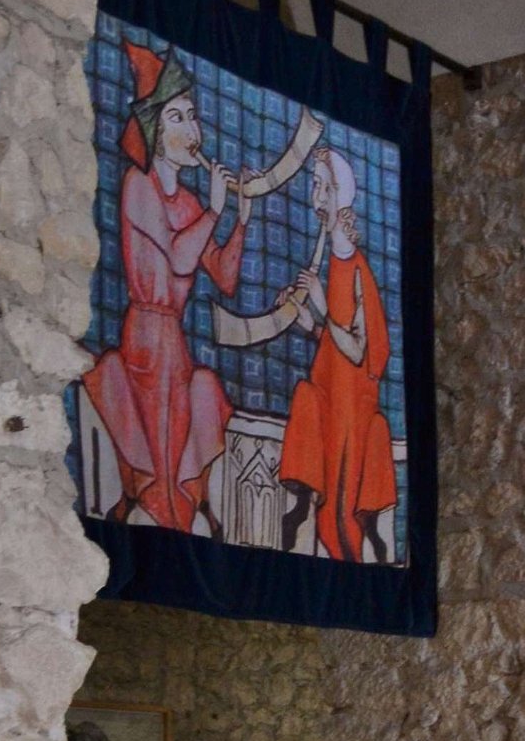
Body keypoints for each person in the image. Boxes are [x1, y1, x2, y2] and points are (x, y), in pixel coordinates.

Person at [83, 43, 249, 534]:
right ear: (156, 133)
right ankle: (157, 502)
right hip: (146, 334)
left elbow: (224, 276)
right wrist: (216, 212)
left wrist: (240, 220)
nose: (192, 131)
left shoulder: (192, 201)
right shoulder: (140, 185)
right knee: (157, 423)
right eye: (178, 118)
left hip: (173, 339)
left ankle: (180, 504)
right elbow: (178, 256)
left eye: (192, 117)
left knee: (202, 390)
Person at [278, 145, 395, 562]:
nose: (315, 195)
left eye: (321, 186)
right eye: (313, 185)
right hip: (330, 396)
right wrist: (303, 322)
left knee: (340, 512)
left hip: (351, 408)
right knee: (327, 507)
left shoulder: (352, 265)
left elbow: (358, 349)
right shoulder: (331, 259)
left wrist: (321, 304)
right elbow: (332, 343)